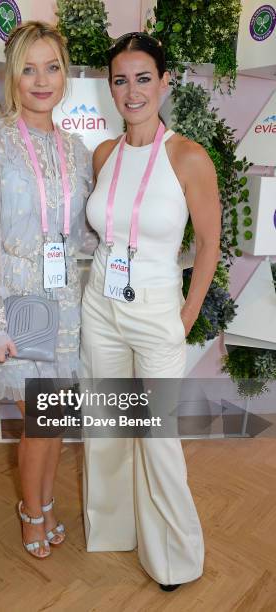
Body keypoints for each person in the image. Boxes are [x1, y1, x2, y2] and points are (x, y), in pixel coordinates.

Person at [80, 32, 221, 590]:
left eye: (144, 78)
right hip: (101, 307)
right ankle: (113, 529)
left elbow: (209, 244)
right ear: (110, 87)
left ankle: (174, 559)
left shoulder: (188, 156)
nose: (132, 91)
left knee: (156, 435)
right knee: (108, 425)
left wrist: (185, 316)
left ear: (165, 82)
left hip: (158, 310)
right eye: (121, 79)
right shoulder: (105, 154)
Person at [0, 21, 94, 559]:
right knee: (40, 420)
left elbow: (82, 232)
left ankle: (45, 502)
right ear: (12, 77)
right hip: (14, 298)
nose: (42, 80)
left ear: (65, 76)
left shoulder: (78, 149)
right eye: (29, 69)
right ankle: (31, 510)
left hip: (65, 299)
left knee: (54, 419)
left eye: (52, 67)